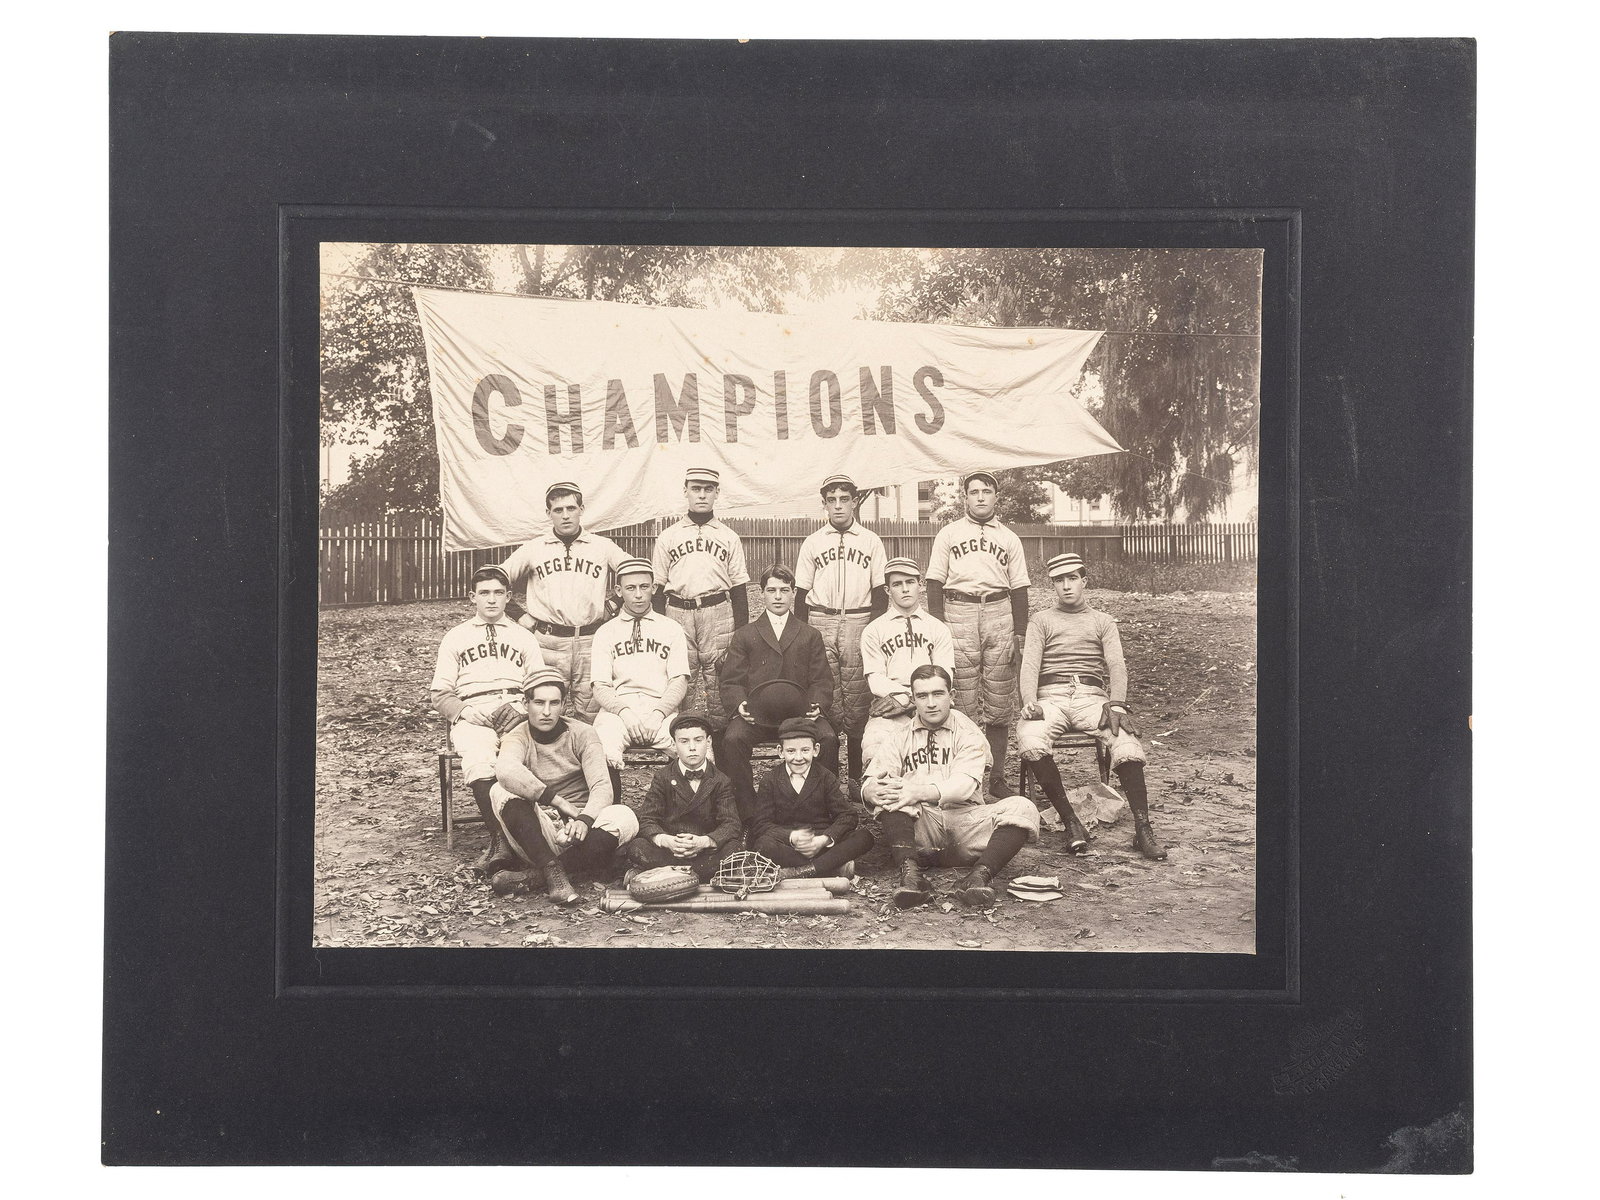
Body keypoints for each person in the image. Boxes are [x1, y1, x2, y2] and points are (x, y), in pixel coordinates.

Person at [1018, 552, 1167, 861]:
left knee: (1126, 743)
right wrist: (1029, 700)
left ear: (1084, 581)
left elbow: (1116, 665)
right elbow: (1030, 664)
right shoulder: (1041, 620)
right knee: (1031, 740)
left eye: (1072, 578)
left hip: (1091, 697)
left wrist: (1117, 704)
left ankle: (1143, 828)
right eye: (1059, 581)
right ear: (1053, 586)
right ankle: (1072, 822)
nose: (1066, 586)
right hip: (1050, 697)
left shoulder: (1102, 621)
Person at [861, 664, 1041, 909]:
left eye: (938, 694)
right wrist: (870, 791)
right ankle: (912, 877)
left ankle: (978, 877)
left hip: (967, 824)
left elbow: (963, 786)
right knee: (892, 793)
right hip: (921, 829)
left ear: (952, 696)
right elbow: (873, 778)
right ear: (913, 700)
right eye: (922, 696)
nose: (931, 703)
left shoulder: (968, 732)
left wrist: (915, 791)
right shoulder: (899, 735)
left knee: (1024, 807)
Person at [428, 565, 545, 876]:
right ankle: (500, 840)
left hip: (516, 708)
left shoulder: (523, 636)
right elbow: (439, 693)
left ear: (508, 597)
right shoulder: (456, 636)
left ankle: (528, 835)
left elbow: (541, 685)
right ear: (472, 597)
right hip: (474, 710)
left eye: (498, 593)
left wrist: (524, 710)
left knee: (519, 759)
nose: (491, 600)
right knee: (479, 758)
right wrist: (465, 711)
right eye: (484, 593)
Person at [490, 668, 640, 905]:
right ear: (525, 703)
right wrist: (559, 803)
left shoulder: (582, 733)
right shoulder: (516, 736)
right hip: (539, 831)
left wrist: (584, 819)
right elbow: (506, 770)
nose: (547, 711)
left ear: (564, 705)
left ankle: (538, 877)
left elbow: (602, 786)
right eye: (539, 702)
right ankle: (552, 870)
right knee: (500, 790)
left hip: (582, 831)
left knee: (625, 816)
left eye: (554, 703)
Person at [924, 470, 1031, 797]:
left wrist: (1021, 633)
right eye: (974, 492)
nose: (981, 497)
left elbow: (1020, 589)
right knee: (964, 699)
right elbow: (934, 584)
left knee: (999, 700)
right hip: (959, 610)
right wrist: (939, 625)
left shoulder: (1009, 537)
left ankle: (997, 777)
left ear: (996, 497)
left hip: (999, 611)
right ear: (965, 497)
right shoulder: (949, 534)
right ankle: (966, 777)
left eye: (987, 491)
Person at [497, 481, 627, 720]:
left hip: (591, 639)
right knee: (546, 711)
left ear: (582, 509)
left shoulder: (601, 546)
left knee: (591, 713)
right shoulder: (534, 548)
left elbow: (635, 572)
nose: (565, 515)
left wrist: (615, 603)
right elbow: (496, 578)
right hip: (548, 642)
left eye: (571, 508)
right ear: (548, 513)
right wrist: (518, 615)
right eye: (558, 510)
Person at [718, 564, 837, 824]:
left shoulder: (809, 634)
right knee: (732, 739)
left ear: (794, 593)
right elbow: (731, 679)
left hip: (800, 717)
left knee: (827, 737)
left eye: (784, 590)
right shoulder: (745, 634)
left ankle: (820, 809)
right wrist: (739, 705)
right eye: (771, 590)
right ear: (761, 594)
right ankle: (748, 813)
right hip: (758, 717)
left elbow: (821, 678)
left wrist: (817, 704)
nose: (778, 596)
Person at [793, 473, 887, 782]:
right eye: (831, 500)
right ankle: (829, 780)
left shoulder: (871, 540)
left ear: (855, 501)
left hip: (859, 620)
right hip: (821, 618)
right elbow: (802, 594)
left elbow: (879, 593)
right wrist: (800, 635)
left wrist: (873, 632)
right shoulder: (813, 542)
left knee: (859, 698)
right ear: (824, 504)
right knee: (826, 696)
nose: (838, 506)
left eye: (844, 499)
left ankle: (857, 780)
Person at [650, 466, 751, 727]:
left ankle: (722, 752)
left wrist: (741, 633)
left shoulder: (728, 536)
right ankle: (680, 753)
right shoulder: (668, 536)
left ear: (717, 493)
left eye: (708, 489)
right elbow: (658, 588)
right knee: (681, 679)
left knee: (721, 679)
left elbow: (739, 588)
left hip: (718, 611)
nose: (702, 495)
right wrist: (660, 628)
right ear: (685, 491)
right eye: (696, 489)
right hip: (678, 612)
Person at [589, 557, 691, 796]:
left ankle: (680, 817)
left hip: (661, 710)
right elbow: (600, 685)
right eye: (630, 588)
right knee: (599, 747)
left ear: (654, 588)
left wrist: (658, 713)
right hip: (618, 712)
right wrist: (625, 713)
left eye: (644, 587)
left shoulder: (671, 628)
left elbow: (679, 681)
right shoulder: (606, 632)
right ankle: (611, 817)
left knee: (695, 748)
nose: (638, 595)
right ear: (618, 591)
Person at [747, 716, 875, 880]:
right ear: (780, 751)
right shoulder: (770, 780)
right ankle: (829, 868)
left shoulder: (825, 777)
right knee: (764, 845)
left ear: (816, 750)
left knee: (864, 837)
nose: (798, 757)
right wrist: (792, 837)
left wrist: (823, 840)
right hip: (788, 845)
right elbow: (761, 824)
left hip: (821, 842)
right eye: (791, 751)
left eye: (805, 750)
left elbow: (847, 815)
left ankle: (799, 871)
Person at [858, 556, 956, 771]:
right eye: (897, 584)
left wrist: (921, 698)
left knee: (965, 748)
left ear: (920, 586)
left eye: (910, 582)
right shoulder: (874, 630)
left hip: (934, 706)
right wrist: (913, 697)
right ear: (887, 590)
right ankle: (886, 802)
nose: (905, 589)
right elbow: (876, 681)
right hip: (892, 709)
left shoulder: (937, 627)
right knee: (874, 749)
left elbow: (945, 675)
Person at [625, 713, 742, 882]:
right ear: (674, 744)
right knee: (637, 847)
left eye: (698, 740)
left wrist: (704, 842)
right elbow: (647, 819)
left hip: (704, 852)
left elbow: (731, 823)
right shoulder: (663, 777)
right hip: (671, 851)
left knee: (734, 849)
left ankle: (665, 876)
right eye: (684, 741)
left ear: (708, 742)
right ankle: (700, 876)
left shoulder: (720, 780)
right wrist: (667, 841)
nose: (692, 747)